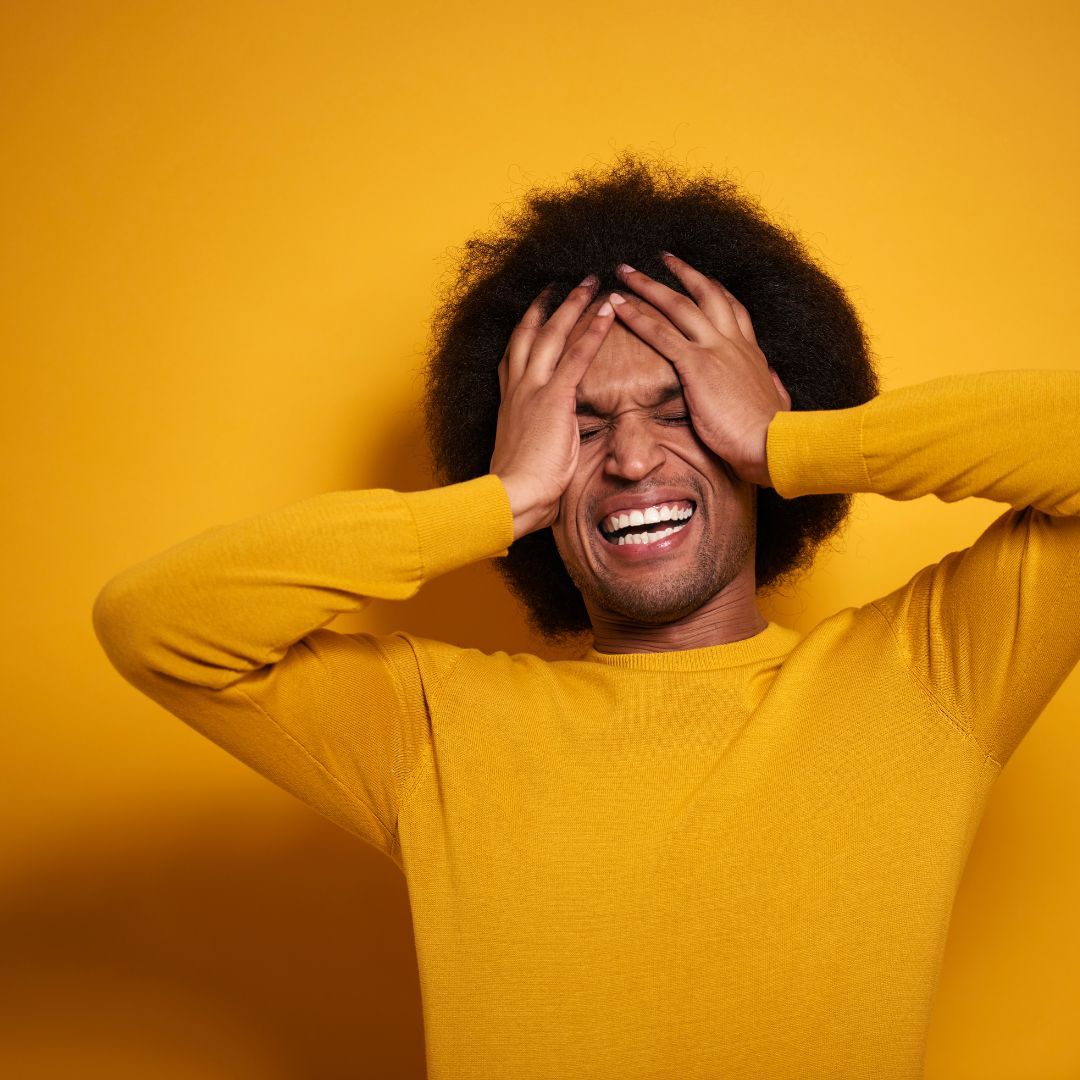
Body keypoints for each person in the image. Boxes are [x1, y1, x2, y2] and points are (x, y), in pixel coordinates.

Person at [92, 154, 1080, 1079]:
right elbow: (154, 622)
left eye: (683, 407)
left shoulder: (932, 678)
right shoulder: (429, 730)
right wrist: (505, 499)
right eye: (583, 424)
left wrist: (794, 443)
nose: (635, 459)